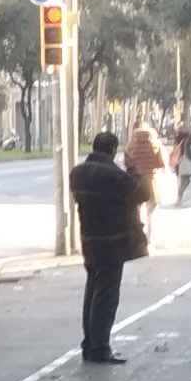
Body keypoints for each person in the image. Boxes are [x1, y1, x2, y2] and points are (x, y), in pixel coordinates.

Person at [70, 131, 148, 365]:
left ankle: (89, 343)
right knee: (106, 296)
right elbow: (143, 193)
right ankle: (100, 347)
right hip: (112, 243)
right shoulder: (115, 176)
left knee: (92, 291)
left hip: (89, 241)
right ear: (113, 150)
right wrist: (133, 168)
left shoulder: (77, 173)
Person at [123, 123, 165, 240]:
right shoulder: (154, 144)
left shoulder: (131, 145)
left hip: (135, 181)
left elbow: (127, 163)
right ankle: (149, 236)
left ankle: (137, 235)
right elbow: (161, 163)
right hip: (151, 181)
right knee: (150, 212)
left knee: (136, 210)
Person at [169, 126, 191, 202]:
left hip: (178, 163)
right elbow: (190, 135)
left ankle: (179, 198)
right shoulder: (186, 141)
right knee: (186, 181)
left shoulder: (177, 141)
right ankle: (179, 198)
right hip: (184, 162)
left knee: (181, 181)